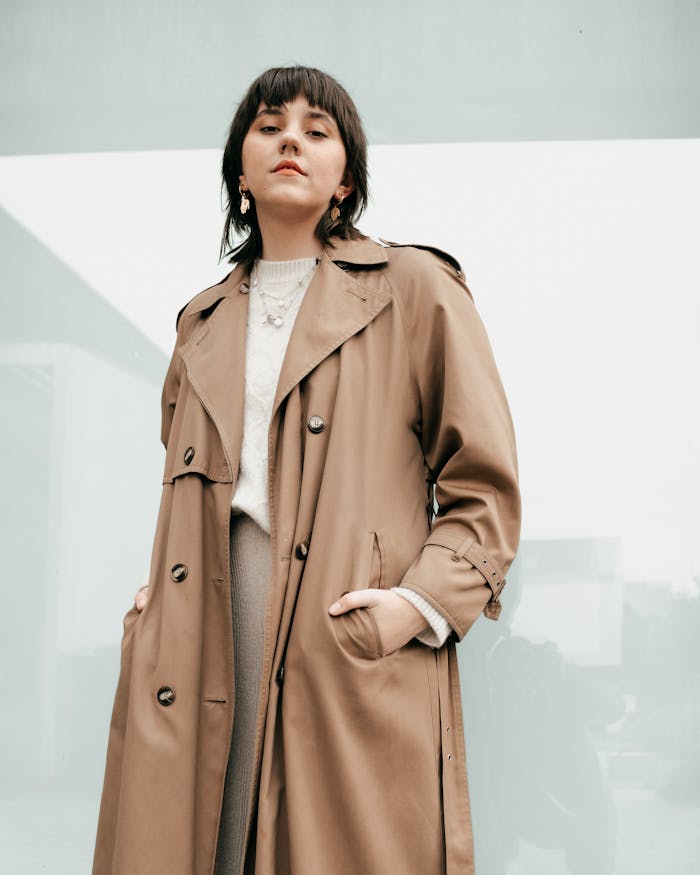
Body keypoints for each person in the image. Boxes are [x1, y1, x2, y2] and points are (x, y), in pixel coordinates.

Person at [92, 66, 522, 875]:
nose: (292, 137)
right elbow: (187, 487)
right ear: (240, 171)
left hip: (336, 635)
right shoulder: (201, 323)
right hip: (201, 639)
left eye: (317, 130)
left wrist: (414, 606)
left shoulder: (415, 288)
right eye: (269, 125)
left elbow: (485, 486)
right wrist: (155, 599)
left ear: (345, 179)